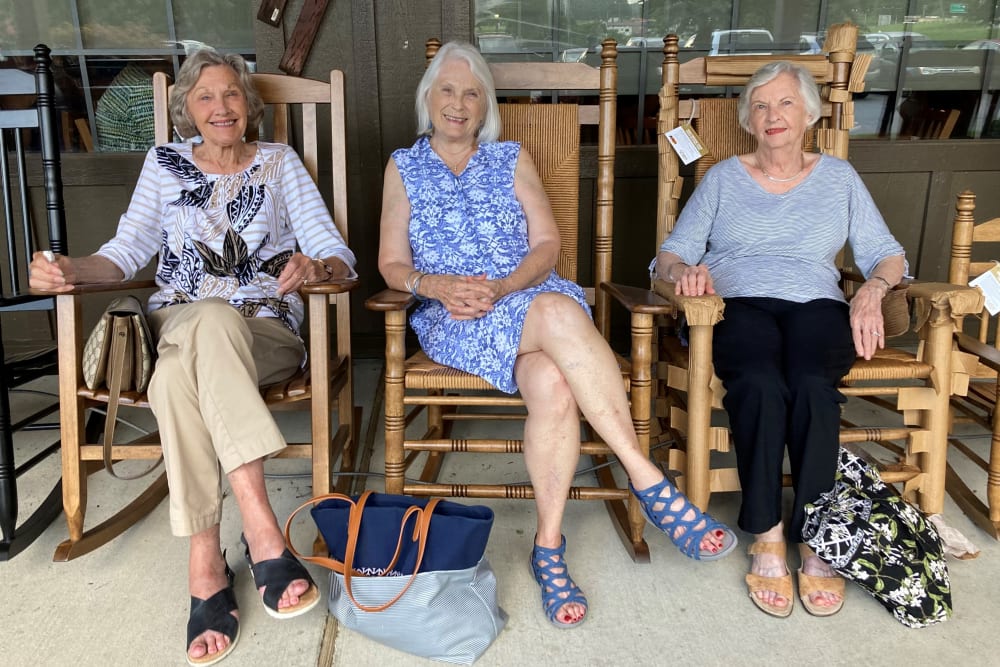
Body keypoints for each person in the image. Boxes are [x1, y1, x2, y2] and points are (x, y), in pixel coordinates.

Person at [377, 41, 737, 630]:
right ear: (428, 98)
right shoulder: (403, 165)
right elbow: (391, 262)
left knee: (552, 381)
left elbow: (547, 246)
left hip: (523, 298)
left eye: (472, 93)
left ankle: (548, 547)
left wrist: (502, 285)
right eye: (447, 90)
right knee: (561, 314)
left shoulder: (511, 158)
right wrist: (435, 284)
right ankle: (646, 478)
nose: (459, 104)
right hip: (455, 316)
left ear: (485, 105)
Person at [29, 48, 356, 665]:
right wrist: (69, 269)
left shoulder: (281, 164)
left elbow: (337, 253)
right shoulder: (164, 163)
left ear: (249, 105)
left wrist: (317, 266)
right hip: (178, 320)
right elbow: (124, 253)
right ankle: (261, 531)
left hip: (264, 333)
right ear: (187, 111)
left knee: (181, 366)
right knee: (197, 330)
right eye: (205, 97)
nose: (221, 107)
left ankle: (205, 561)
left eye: (231, 94)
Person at [651, 61, 907, 619]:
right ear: (747, 119)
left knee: (813, 384)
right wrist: (682, 276)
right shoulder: (721, 178)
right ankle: (767, 532)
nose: (774, 116)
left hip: (816, 301)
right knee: (760, 383)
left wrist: (872, 290)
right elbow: (668, 256)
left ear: (810, 113)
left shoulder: (838, 177)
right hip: (737, 301)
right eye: (762, 106)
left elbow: (886, 252)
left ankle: (815, 539)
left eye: (786, 103)